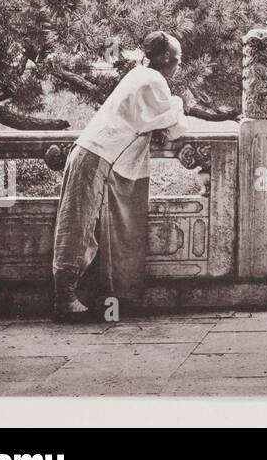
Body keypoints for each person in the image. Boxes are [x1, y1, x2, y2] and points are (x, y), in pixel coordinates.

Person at [51, 32, 188, 322]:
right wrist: (179, 102)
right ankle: (65, 299)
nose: (179, 64)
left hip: (93, 151)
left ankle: (75, 297)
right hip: (95, 154)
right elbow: (176, 128)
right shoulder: (152, 80)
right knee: (79, 226)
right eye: (177, 59)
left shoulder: (137, 75)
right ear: (164, 58)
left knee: (83, 224)